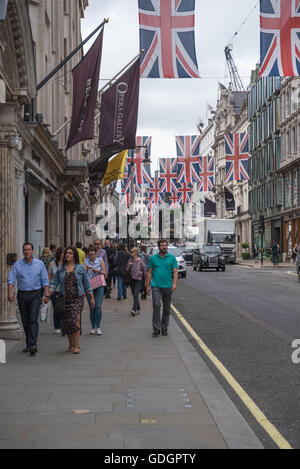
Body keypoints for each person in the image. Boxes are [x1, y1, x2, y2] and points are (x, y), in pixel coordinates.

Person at [8, 243, 50, 356]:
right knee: (25, 321)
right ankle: (28, 342)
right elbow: (11, 279)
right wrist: (10, 292)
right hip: (22, 295)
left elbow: (45, 281)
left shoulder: (39, 264)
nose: (27, 252)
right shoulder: (18, 264)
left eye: (29, 250)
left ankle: (33, 344)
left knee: (32, 319)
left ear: (32, 251)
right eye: (25, 250)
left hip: (35, 294)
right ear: (23, 251)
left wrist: (46, 294)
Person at [50, 247, 95, 355]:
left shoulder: (80, 268)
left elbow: (86, 283)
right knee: (67, 322)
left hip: (77, 298)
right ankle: (71, 343)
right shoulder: (61, 269)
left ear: (74, 255)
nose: (68, 255)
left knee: (75, 320)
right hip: (64, 299)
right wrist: (47, 294)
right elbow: (55, 283)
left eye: (70, 253)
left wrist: (92, 296)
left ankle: (76, 345)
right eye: (66, 253)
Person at [146, 239, 178, 337]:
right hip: (155, 285)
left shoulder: (172, 258)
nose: (164, 247)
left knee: (167, 308)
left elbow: (175, 272)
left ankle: (164, 327)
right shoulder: (153, 258)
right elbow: (149, 272)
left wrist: (174, 284)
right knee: (156, 305)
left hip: (167, 286)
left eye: (165, 245)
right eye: (162, 245)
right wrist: (147, 286)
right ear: (159, 247)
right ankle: (156, 328)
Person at [84, 247, 107, 336]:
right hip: (89, 286)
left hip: (99, 285)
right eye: (90, 254)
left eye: (93, 254)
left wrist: (98, 271)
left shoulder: (100, 261)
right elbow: (82, 274)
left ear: (96, 254)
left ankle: (98, 327)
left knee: (98, 306)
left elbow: (105, 272)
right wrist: (86, 269)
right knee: (92, 307)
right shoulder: (85, 262)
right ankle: (93, 327)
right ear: (88, 255)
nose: (92, 256)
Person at [48, 247, 65, 334]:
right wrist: (54, 282)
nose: (63, 255)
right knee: (56, 308)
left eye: (64, 253)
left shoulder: (67, 264)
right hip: (55, 290)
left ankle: (64, 325)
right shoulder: (52, 264)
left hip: (64, 290)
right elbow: (49, 277)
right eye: (62, 253)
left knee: (64, 308)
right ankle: (57, 326)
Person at [126, 247, 147, 316]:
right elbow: (127, 270)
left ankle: (134, 309)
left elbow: (144, 270)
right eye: (130, 252)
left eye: (132, 252)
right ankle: (138, 308)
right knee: (134, 295)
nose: (131, 253)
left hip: (138, 280)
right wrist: (129, 266)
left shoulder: (140, 260)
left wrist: (146, 281)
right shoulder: (130, 260)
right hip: (132, 279)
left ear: (136, 252)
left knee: (136, 294)